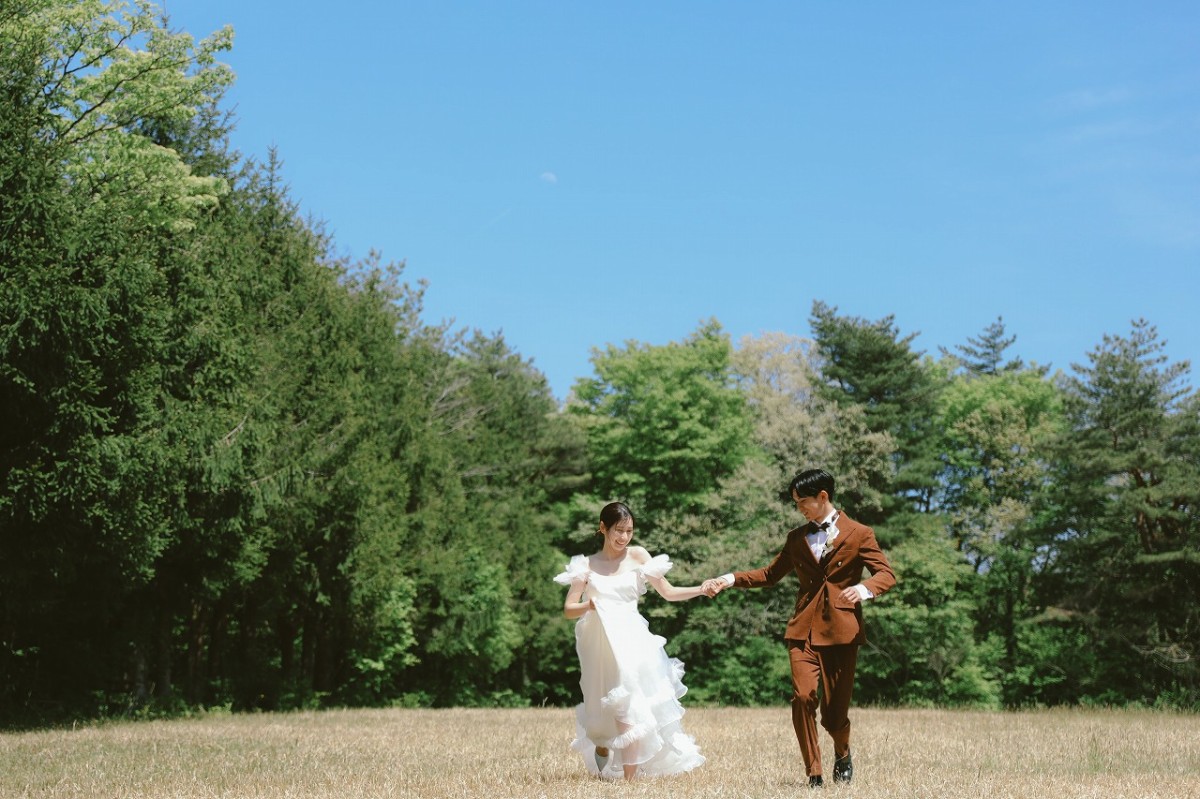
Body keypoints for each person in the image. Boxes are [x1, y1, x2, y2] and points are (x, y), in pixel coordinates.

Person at [701, 468, 896, 788]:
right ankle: (814, 772)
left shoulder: (861, 533)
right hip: (802, 631)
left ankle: (842, 752)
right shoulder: (796, 538)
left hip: (841, 632)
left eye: (802, 502)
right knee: (803, 697)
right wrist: (729, 579)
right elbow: (769, 574)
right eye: (795, 503)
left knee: (834, 715)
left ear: (823, 497)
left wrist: (862, 590)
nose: (799, 508)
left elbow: (886, 574)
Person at [554, 501, 711, 780]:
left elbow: (669, 592)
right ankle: (603, 743)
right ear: (602, 528)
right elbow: (569, 609)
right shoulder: (586, 566)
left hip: (634, 641)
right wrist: (589, 605)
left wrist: (700, 589)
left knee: (632, 706)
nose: (624, 537)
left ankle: (630, 781)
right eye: (618, 530)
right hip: (601, 644)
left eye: (629, 531)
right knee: (605, 708)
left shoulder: (638, 556)